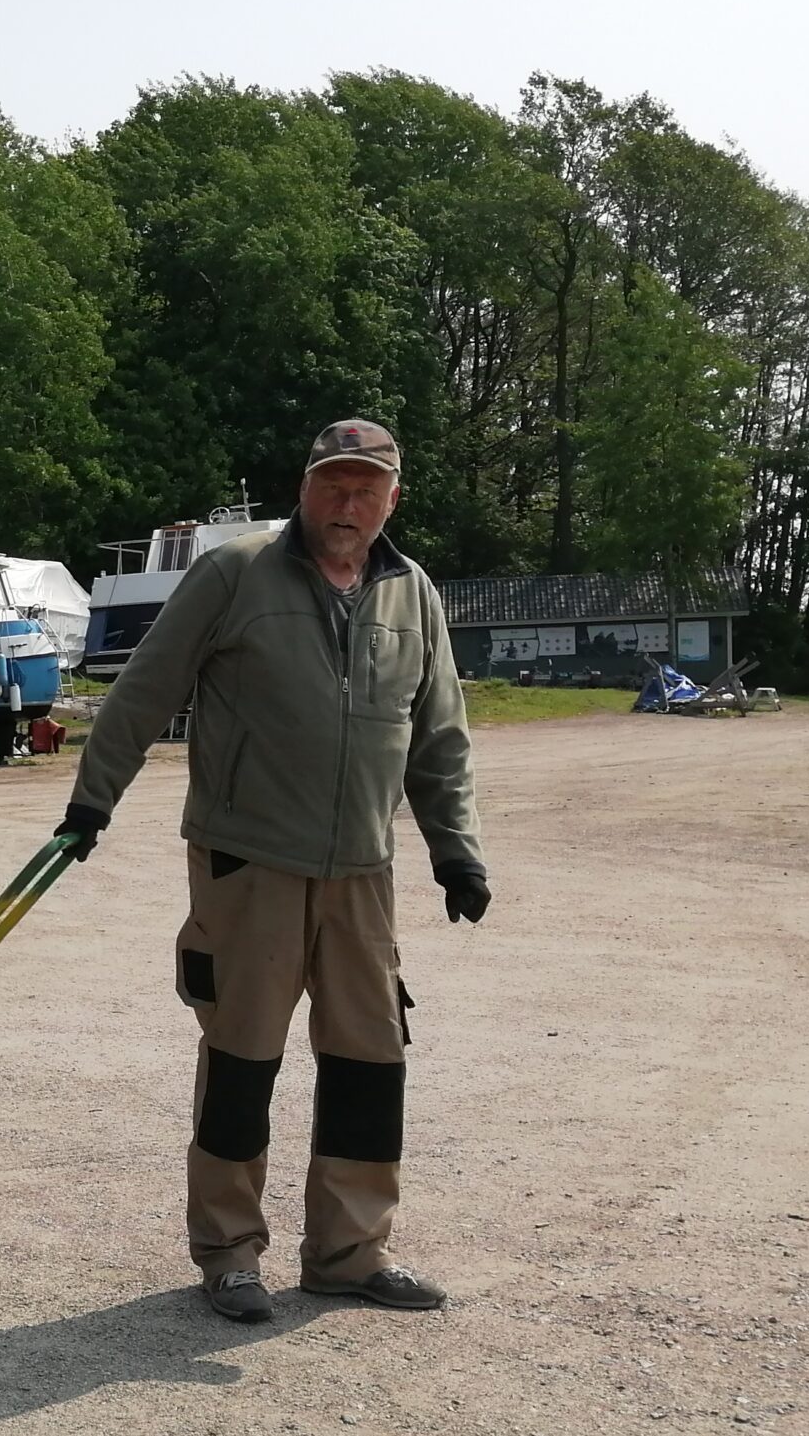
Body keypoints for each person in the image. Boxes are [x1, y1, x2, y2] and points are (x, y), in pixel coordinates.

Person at [56, 421, 488, 1322]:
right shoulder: (236, 573)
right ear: (305, 487)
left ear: (392, 499)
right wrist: (93, 801)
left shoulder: (412, 592)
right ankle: (228, 1254)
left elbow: (438, 734)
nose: (347, 503)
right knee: (242, 1060)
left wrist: (456, 851)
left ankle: (348, 1252)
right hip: (249, 862)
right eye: (333, 483)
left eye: (366, 488)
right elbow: (146, 689)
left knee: (370, 1064)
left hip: (362, 871)